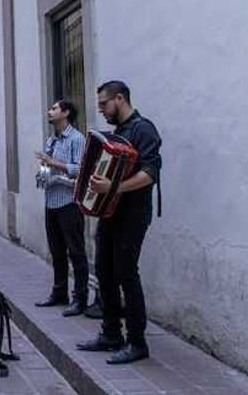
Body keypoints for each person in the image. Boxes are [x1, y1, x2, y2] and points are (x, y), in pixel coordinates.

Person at [77, 81, 162, 365]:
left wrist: (113, 188)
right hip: (110, 214)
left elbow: (150, 173)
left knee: (127, 274)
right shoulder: (118, 134)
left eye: (104, 104)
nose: (100, 110)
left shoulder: (144, 130)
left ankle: (137, 342)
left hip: (133, 215)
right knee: (104, 272)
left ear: (120, 98)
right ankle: (111, 333)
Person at [34, 100, 89, 317]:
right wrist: (43, 173)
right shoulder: (52, 140)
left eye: (54, 109)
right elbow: (46, 167)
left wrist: (52, 163)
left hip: (69, 204)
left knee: (76, 252)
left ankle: (80, 298)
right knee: (57, 252)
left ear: (65, 113)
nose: (50, 111)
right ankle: (59, 292)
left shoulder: (77, 139)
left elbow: (80, 169)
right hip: (51, 203)